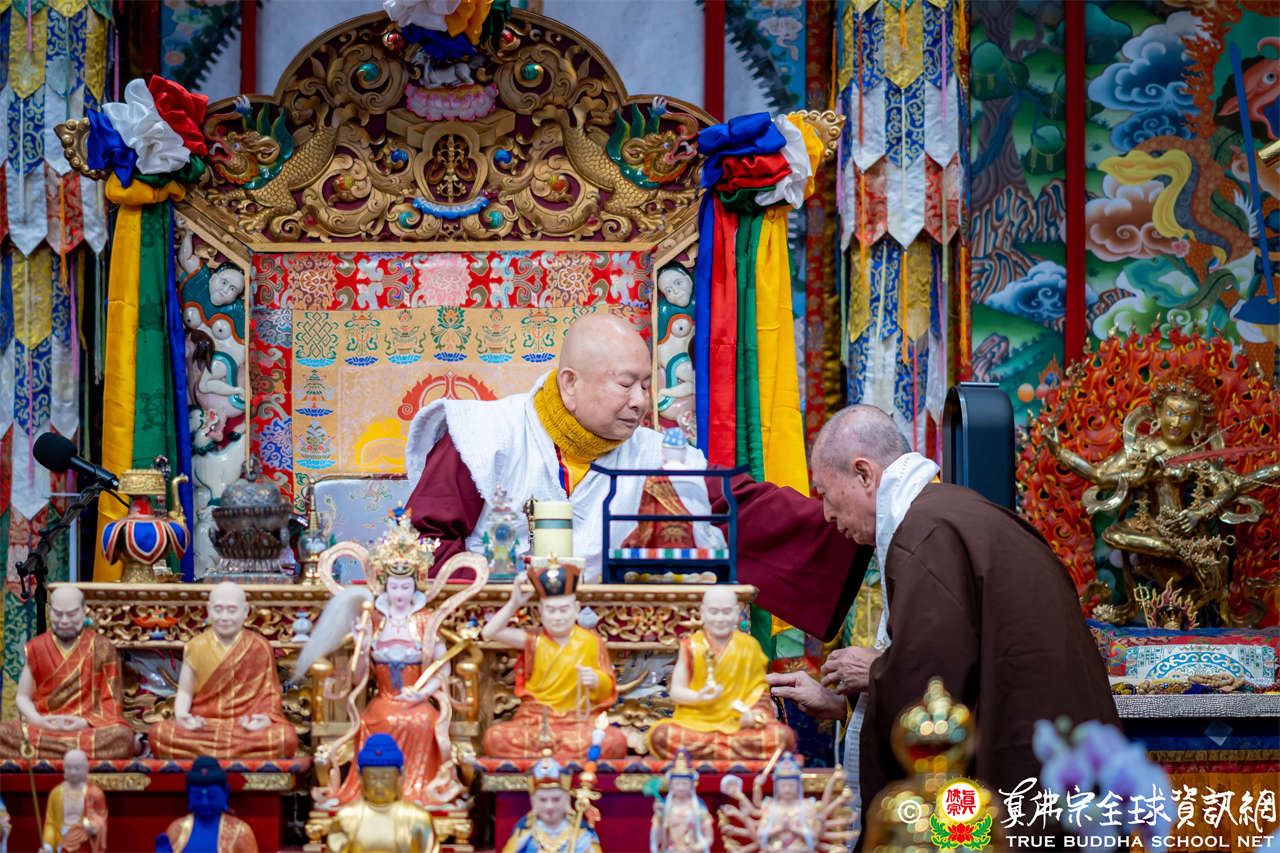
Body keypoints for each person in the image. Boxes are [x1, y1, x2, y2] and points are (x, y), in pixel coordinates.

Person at [406, 313, 869, 640]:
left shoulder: (655, 456)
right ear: (570, 383)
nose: (641, 401)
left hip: (608, 653)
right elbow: (423, 546)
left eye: (646, 385)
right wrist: (501, 599)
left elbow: (747, 510)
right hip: (497, 641)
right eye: (626, 384)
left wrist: (873, 516)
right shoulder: (486, 436)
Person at [766, 405, 1119, 829]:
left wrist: (876, 672)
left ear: (863, 474)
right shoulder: (953, 512)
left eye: (824, 492)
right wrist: (845, 703)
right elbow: (963, 670)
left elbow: (933, 694)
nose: (825, 514)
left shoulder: (925, 536)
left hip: (1027, 784)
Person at [480, 561, 627, 760]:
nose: (558, 617)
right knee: (494, 737)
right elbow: (489, 632)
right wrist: (514, 604)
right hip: (536, 721)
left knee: (615, 740)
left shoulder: (591, 642)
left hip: (577, 722)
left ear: (576, 609)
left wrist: (596, 680)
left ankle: (546, 755)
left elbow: (608, 689)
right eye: (551, 610)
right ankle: (566, 756)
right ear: (541, 612)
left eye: (564, 610)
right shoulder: (535, 641)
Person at [149, 582, 298, 758]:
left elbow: (270, 697)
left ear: (245, 612)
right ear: (208, 610)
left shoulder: (259, 647)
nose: (225, 617)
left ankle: (208, 756)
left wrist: (264, 720)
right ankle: (237, 755)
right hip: (204, 727)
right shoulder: (196, 646)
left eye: (232, 610)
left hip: (245, 728)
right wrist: (182, 716)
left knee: (285, 737)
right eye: (218, 610)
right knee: (159, 732)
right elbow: (185, 692)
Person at [647, 587, 794, 760]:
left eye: (726, 612)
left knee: (781, 737)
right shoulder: (691, 646)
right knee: (660, 735)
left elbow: (758, 693)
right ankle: (728, 752)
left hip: (739, 723)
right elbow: (677, 692)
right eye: (713, 612)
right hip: (698, 722)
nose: (720, 618)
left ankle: (708, 752)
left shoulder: (749, 647)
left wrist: (752, 715)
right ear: (702, 613)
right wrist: (699, 697)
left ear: (736, 614)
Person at [0, 586, 133, 759]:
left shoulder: (102, 647)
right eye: (58, 614)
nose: (64, 621)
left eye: (71, 614)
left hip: (85, 729)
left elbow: (111, 701)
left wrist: (85, 722)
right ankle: (73, 752)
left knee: (122, 737)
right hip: (45, 727)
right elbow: (23, 697)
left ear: (84, 612)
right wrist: (37, 720)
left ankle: (47, 752)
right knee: (3, 734)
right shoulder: (37, 647)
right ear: (50, 612)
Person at [322, 734, 438, 853]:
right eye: (372, 778)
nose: (378, 785)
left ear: (401, 776)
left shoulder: (417, 818)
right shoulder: (347, 817)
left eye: (386, 778)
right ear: (360, 777)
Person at [501, 755, 602, 853]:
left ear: (566, 800)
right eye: (543, 800)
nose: (549, 806)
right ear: (534, 802)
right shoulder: (524, 832)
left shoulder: (580, 834)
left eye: (556, 799)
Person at [157, 756, 259, 852]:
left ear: (226, 793)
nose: (204, 802)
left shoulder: (240, 832)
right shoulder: (177, 829)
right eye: (197, 796)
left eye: (212, 795)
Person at [40, 750, 107, 853]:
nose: (73, 772)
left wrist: (92, 826)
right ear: (64, 769)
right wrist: (48, 846)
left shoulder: (94, 793)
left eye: (77, 768)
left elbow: (102, 819)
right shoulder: (56, 793)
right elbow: (51, 825)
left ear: (86, 768)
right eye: (69, 768)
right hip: (62, 841)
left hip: (85, 843)